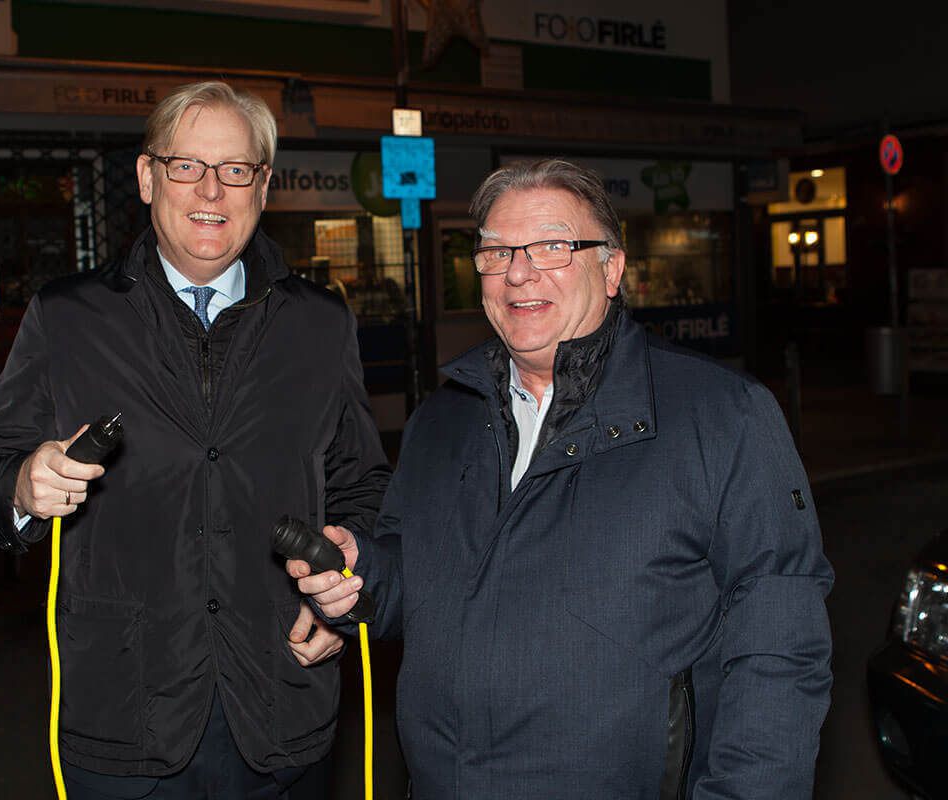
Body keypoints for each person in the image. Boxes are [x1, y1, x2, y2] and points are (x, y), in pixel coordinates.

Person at [289, 158, 834, 799]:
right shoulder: (442, 419)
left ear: (613, 269)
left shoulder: (723, 414)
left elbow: (780, 649)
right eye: (496, 252)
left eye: (553, 245)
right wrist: (366, 574)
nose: (520, 272)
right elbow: (421, 582)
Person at [0, 81, 391, 799]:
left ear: (263, 185)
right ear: (148, 178)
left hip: (281, 701)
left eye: (235, 169)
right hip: (127, 711)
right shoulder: (70, 318)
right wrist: (21, 485)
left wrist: (341, 589)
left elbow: (362, 484)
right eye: (186, 165)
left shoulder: (320, 322)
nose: (211, 189)